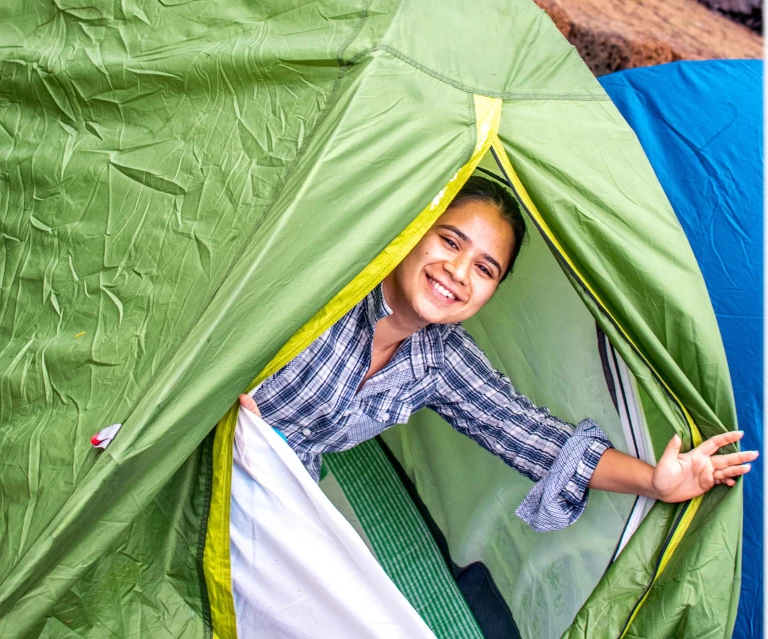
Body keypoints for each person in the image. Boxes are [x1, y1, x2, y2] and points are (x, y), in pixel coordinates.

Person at [240, 176, 756, 532]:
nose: (458, 272)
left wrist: (655, 483)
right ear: (416, 230)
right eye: (450, 241)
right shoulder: (331, 279)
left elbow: (534, 437)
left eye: (485, 269)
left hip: (269, 490)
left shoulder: (440, 358)